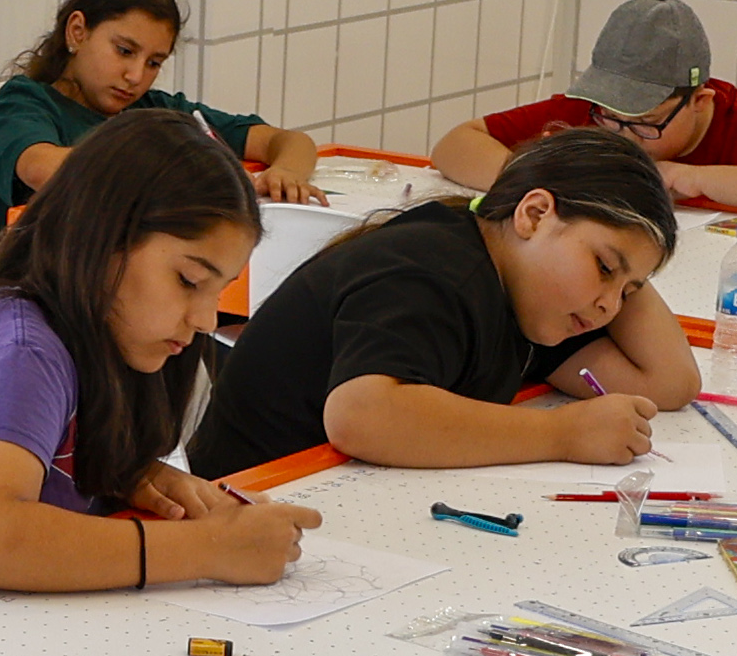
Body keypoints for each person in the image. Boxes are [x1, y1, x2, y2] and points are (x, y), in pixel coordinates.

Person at [0, 107, 323, 596]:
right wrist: (209, 547)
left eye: (220, 290)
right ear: (103, 239)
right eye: (189, 281)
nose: (207, 319)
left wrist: (129, 477)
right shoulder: (18, 350)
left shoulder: (104, 333)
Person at [181, 127, 700, 478]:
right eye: (603, 266)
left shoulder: (534, 292)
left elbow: (668, 382)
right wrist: (564, 433)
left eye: (629, 292)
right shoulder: (434, 270)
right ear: (534, 215)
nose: (611, 308)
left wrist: (624, 267)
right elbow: (362, 415)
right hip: (251, 498)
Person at [0, 0, 319, 242]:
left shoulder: (156, 111)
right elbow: (41, 167)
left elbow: (289, 142)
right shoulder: (24, 102)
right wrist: (177, 174)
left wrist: (286, 172)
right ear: (77, 31)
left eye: (154, 63)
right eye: (124, 51)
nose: (136, 76)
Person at [430, 0, 737, 214]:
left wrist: (693, 178)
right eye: (611, 118)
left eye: (645, 122)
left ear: (700, 100)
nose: (623, 135)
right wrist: (539, 180)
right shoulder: (588, 111)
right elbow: (456, 144)